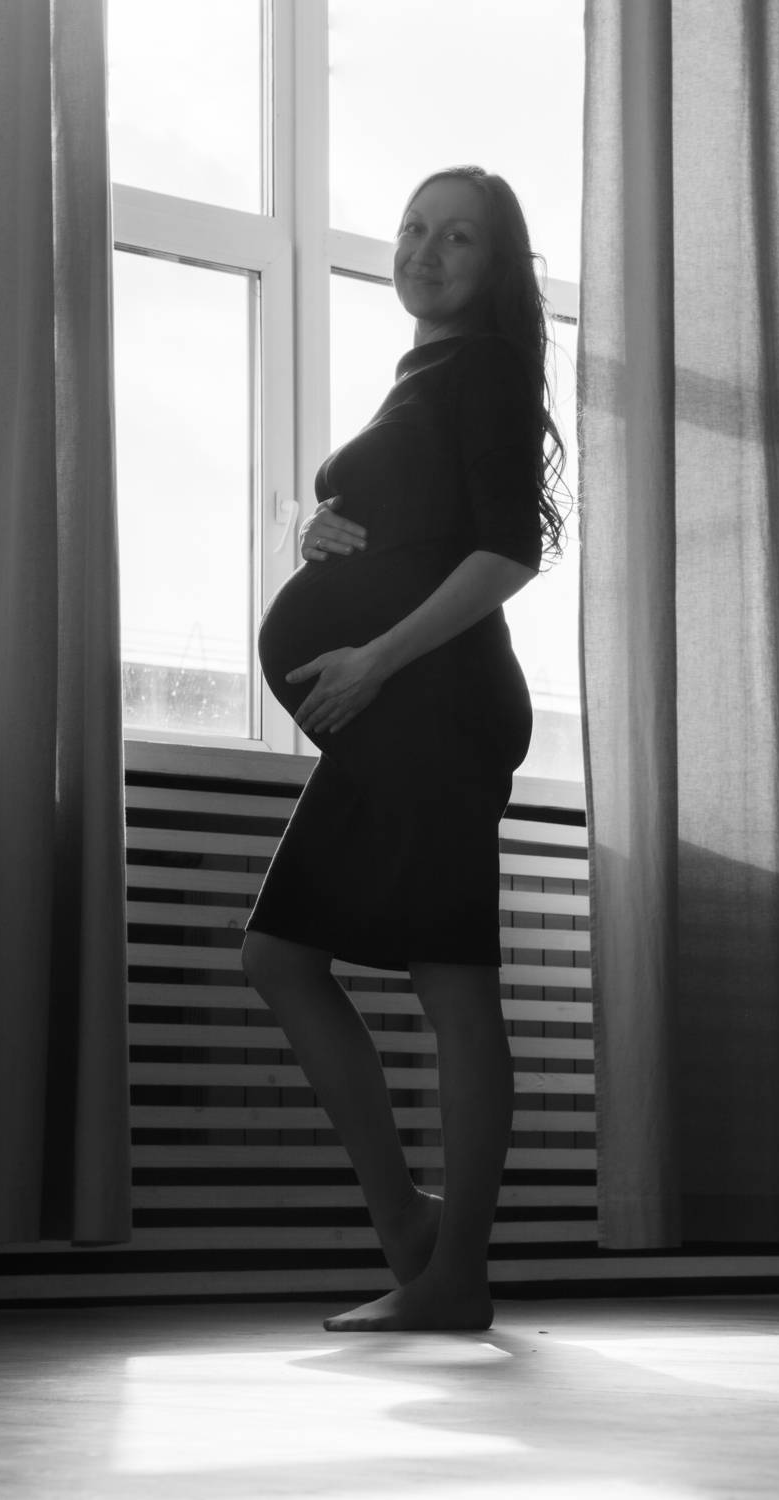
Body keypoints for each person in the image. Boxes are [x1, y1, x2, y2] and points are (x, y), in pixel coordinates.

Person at [241, 165, 569, 1332]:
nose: (426, 251)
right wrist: (320, 530)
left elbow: (508, 553)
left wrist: (375, 657)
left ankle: (453, 1270)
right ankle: (417, 1235)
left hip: (435, 709)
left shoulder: (485, 367)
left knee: (450, 979)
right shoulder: (424, 372)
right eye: (414, 228)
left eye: (458, 238)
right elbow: (412, 528)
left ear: (498, 264)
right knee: (280, 956)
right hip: (396, 721)